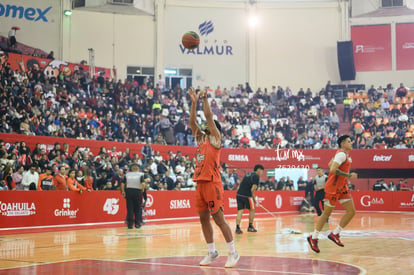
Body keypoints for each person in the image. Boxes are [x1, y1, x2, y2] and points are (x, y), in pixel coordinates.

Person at [189, 87, 239, 268]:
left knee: (219, 219)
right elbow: (192, 121)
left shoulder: (215, 139)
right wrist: (193, 103)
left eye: (208, 126)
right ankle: (212, 252)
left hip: (213, 183)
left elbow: (209, 118)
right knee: (203, 219)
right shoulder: (201, 140)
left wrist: (204, 99)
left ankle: (233, 252)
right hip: (200, 183)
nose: (205, 127)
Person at [308, 135, 358, 253]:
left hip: (342, 187)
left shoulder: (342, 154)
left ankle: (335, 234)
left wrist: (344, 178)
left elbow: (330, 164)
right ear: (342, 144)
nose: (351, 143)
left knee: (351, 211)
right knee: (326, 214)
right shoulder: (341, 154)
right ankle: (313, 237)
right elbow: (332, 169)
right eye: (349, 141)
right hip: (333, 188)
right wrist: (348, 175)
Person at [235, 164, 264, 234]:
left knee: (240, 211)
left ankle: (237, 228)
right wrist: (254, 199)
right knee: (252, 210)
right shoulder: (256, 176)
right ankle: (250, 227)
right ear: (258, 170)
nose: (262, 173)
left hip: (239, 194)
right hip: (247, 196)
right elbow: (252, 190)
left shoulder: (248, 174)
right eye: (262, 171)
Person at [121, 163, 150, 229]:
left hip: (129, 191)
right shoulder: (141, 174)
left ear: (131, 169)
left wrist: (123, 191)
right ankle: (137, 224)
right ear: (137, 169)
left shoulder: (127, 175)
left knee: (130, 208)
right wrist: (142, 190)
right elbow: (143, 183)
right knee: (137, 209)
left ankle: (130, 225)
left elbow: (122, 183)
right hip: (137, 192)